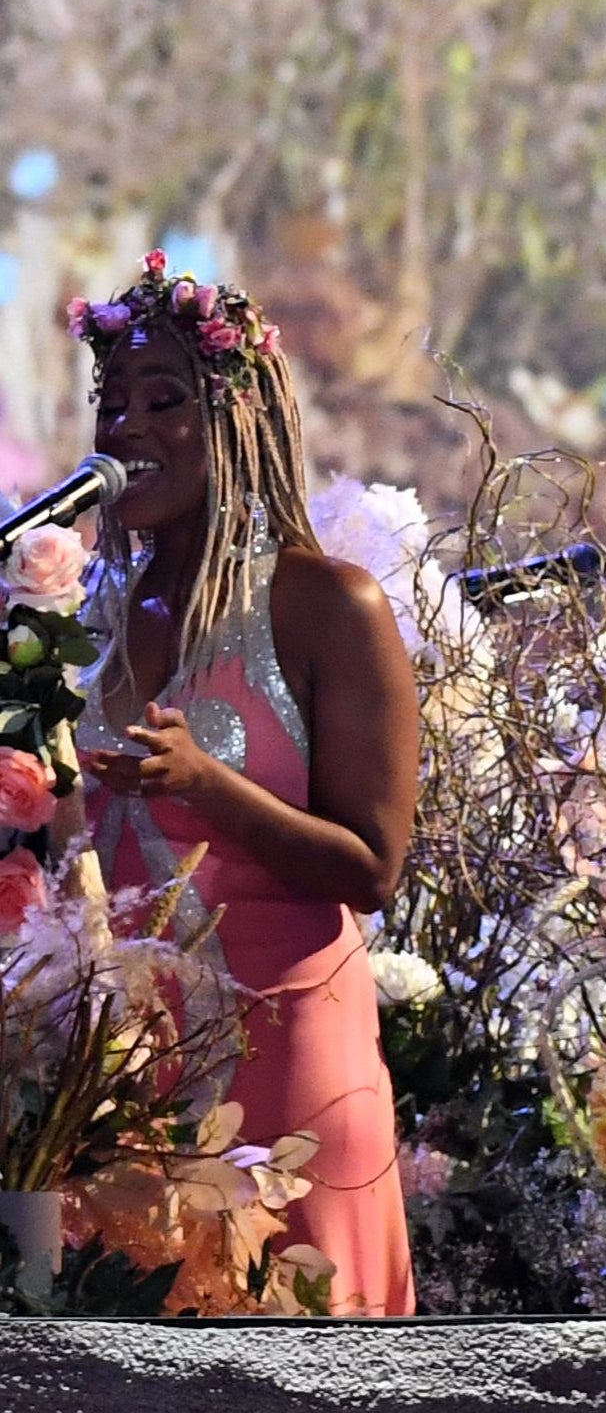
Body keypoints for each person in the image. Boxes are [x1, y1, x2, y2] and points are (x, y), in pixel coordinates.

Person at [67, 252, 418, 1315]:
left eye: (163, 400)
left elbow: (373, 866)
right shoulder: (84, 619)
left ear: (239, 422)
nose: (123, 428)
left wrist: (208, 785)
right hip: (122, 1085)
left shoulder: (327, 605)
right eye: (110, 403)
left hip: (290, 1066)